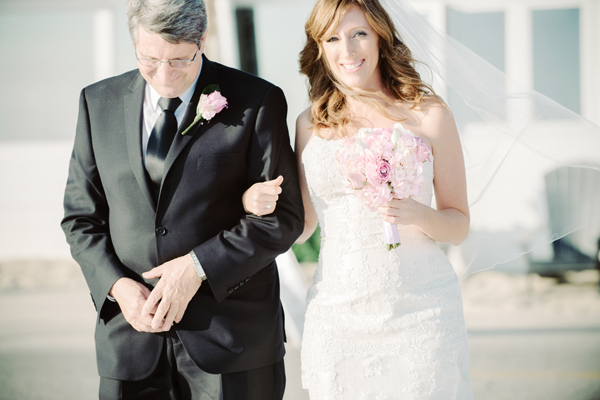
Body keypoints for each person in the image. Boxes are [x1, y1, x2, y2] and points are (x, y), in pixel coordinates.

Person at [61, 0, 304, 398]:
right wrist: (118, 287)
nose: (164, 74)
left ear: (201, 41)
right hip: (130, 343)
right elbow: (80, 218)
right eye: (149, 59)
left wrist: (196, 268)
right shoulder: (96, 102)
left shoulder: (257, 100)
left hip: (230, 340)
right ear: (135, 43)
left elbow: (284, 217)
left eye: (179, 61)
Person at [242, 0, 474, 398]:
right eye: (332, 38)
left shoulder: (430, 115)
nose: (346, 51)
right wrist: (253, 204)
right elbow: (304, 227)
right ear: (320, 49)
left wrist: (416, 212)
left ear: (381, 37)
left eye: (358, 34)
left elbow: (459, 226)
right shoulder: (309, 124)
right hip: (337, 315)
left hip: (421, 311)